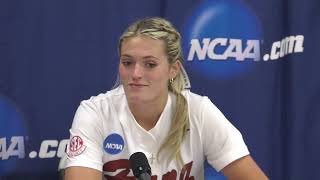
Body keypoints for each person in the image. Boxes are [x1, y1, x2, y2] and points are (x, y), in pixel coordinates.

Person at [62, 17, 268, 180]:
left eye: (149, 64)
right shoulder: (95, 112)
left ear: (173, 69)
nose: (135, 73)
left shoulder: (198, 111)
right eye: (127, 62)